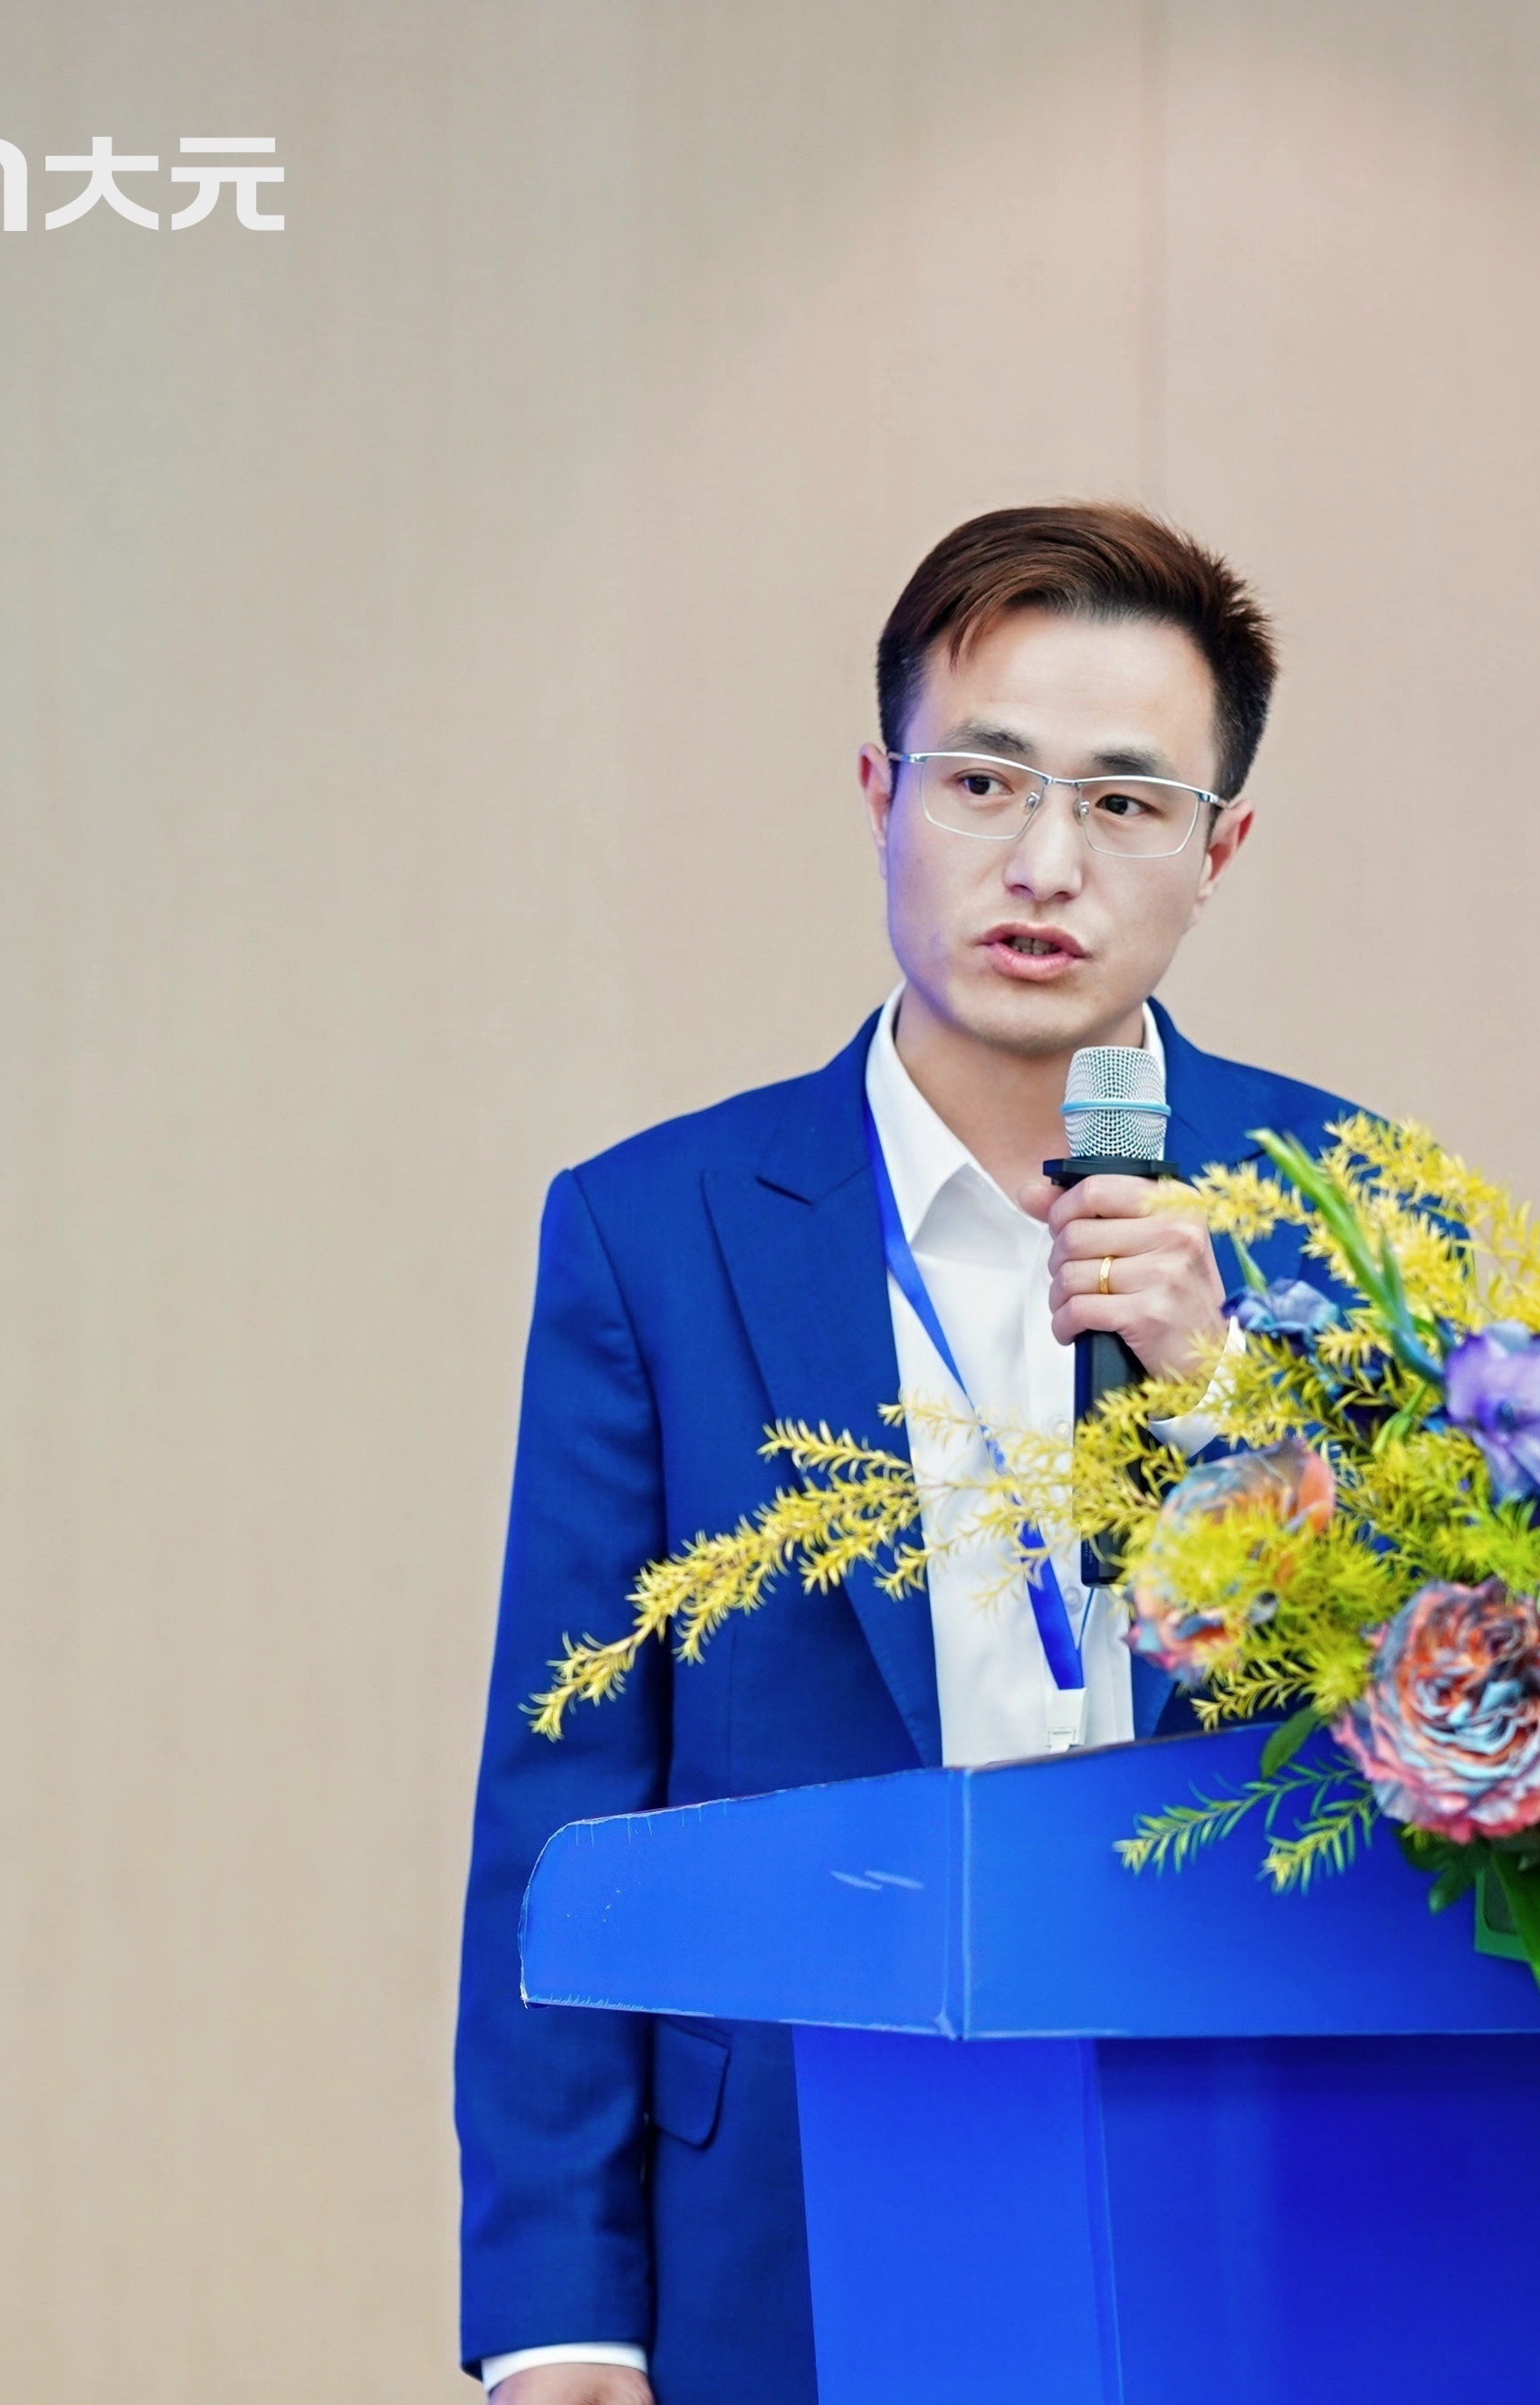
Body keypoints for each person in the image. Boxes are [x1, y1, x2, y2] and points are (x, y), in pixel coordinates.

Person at [455, 504, 1362, 2403]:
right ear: (880, 792)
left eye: (1125, 803)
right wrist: (560, 2312)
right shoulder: (660, 1227)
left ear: (1219, 851)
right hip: (787, 2191)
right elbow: (569, 1782)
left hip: (1244, 2186)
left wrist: (1222, 1393)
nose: (1045, 863)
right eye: (984, 781)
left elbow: (1451, 1715)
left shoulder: (1353, 1213)